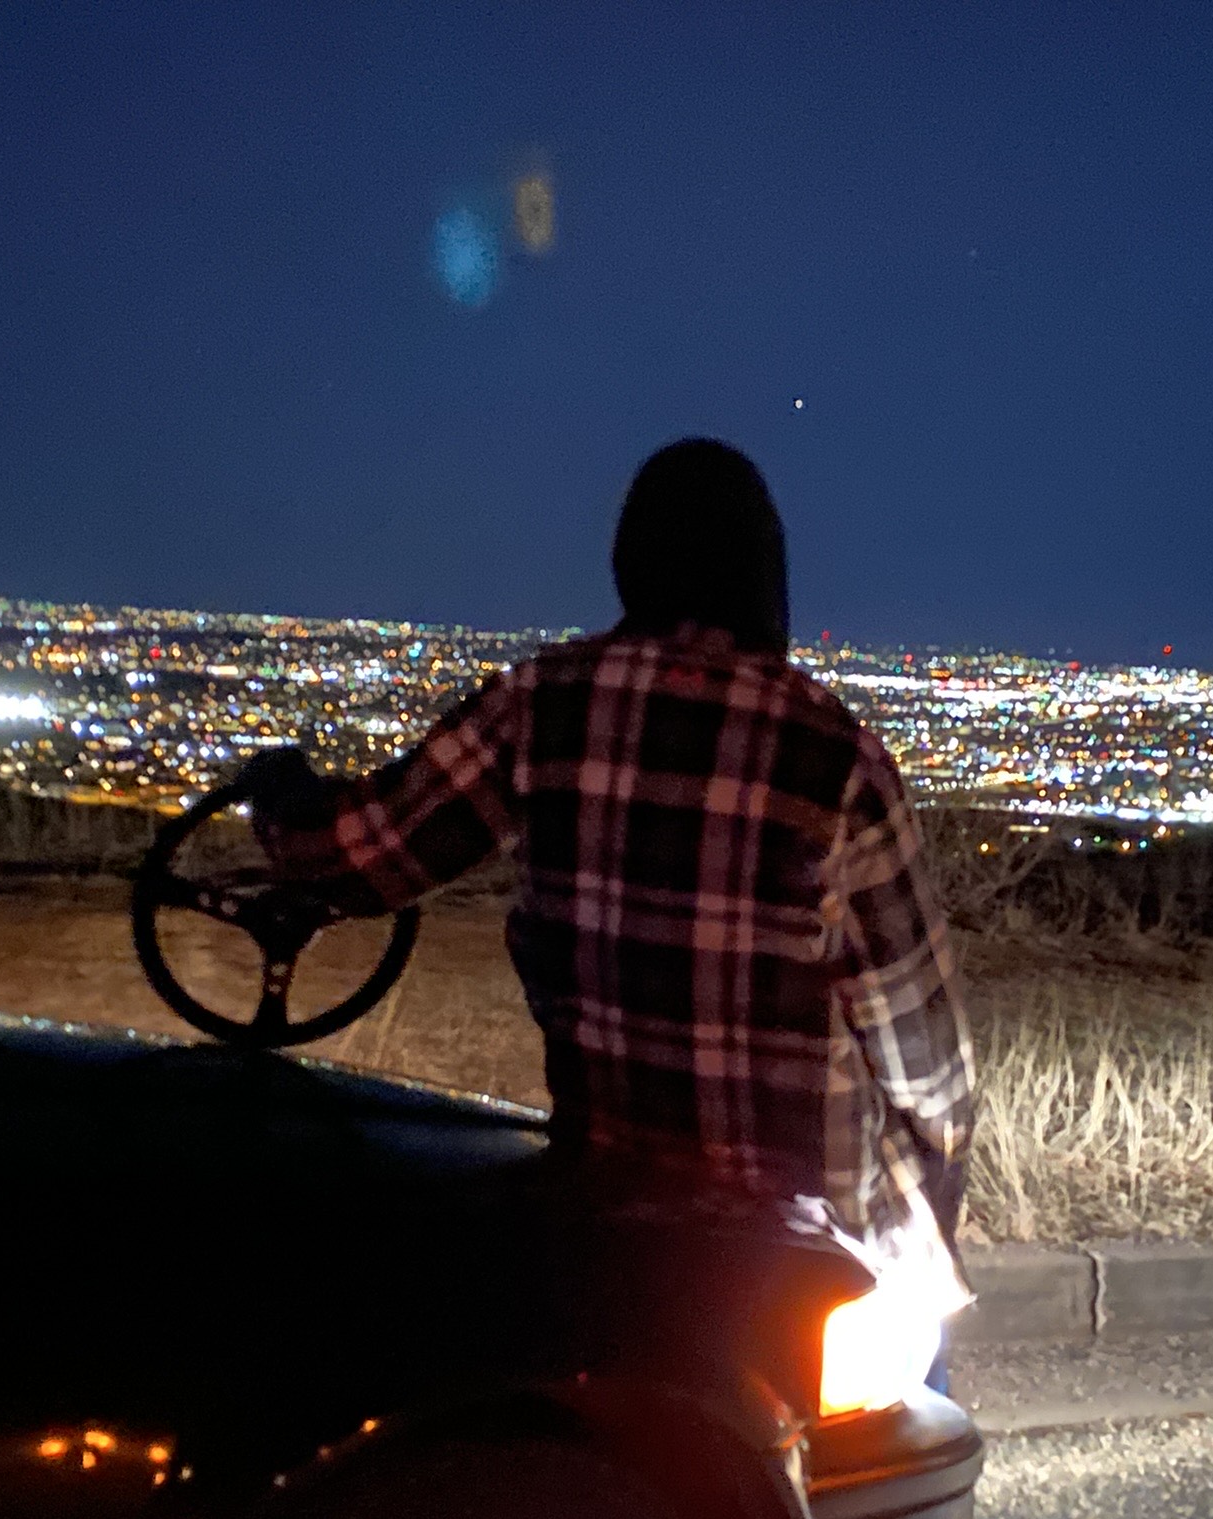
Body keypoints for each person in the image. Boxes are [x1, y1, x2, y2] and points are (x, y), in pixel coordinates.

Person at [247, 438, 974, 1322]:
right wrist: (929, 1222)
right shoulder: (836, 757)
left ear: (631, 564)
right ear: (765, 578)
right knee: (905, 1389)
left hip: (603, 1219)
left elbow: (360, 858)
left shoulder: (539, 704)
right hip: (804, 1255)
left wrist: (279, 798)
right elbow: (927, 1064)